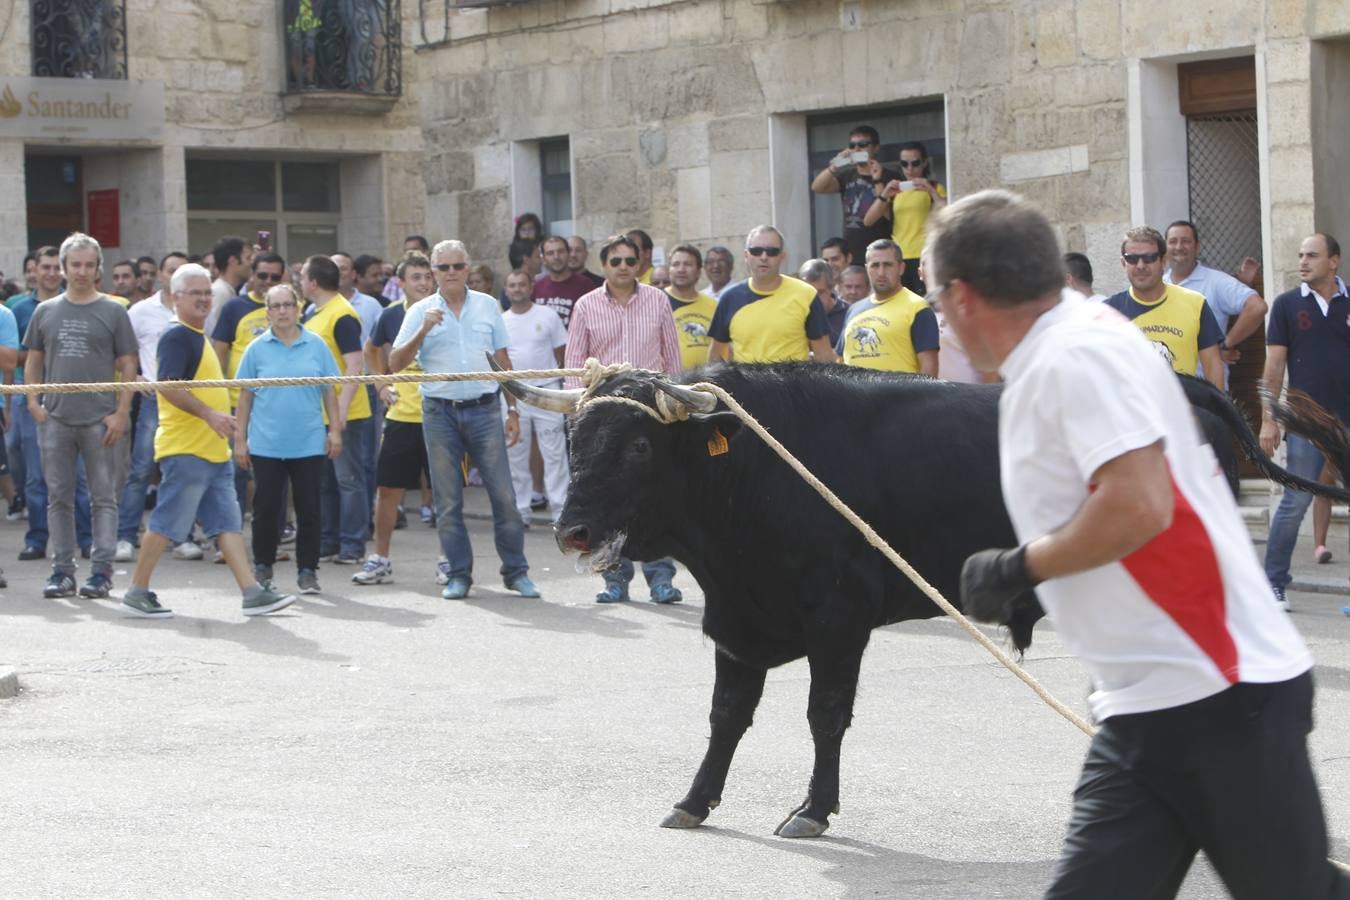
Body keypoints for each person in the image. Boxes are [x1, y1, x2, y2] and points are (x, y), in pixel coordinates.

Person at [943, 189, 1346, 899]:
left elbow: (1139, 504)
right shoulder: (1071, 339)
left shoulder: (1072, 357)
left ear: (963, 295)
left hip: (1219, 696)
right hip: (1146, 706)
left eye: (935, 296)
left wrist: (1017, 567)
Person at [119, 264, 296, 619]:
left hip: (211, 451)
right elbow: (168, 387)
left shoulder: (194, 334)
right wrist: (210, 415)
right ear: (176, 298)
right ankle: (137, 591)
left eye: (206, 293)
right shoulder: (178, 336)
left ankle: (251, 592)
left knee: (227, 523)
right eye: (195, 293)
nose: (203, 299)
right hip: (187, 449)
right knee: (167, 522)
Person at [389, 239, 540, 601]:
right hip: (439, 411)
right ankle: (458, 575)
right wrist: (423, 330)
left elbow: (503, 362)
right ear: (434, 273)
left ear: (468, 269)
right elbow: (394, 364)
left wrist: (514, 409)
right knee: (447, 500)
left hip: (486, 408)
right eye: (444, 268)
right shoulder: (420, 311)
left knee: (504, 496)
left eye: (458, 266)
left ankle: (516, 573)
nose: (452, 273)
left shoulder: (488, 306)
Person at [564, 234, 683, 605]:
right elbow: (574, 366)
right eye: (615, 261)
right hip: (603, 421)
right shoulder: (585, 305)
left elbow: (672, 359)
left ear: (639, 264)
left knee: (658, 496)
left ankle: (661, 578)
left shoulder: (658, 300)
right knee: (607, 499)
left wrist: (677, 407)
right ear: (604, 265)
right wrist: (578, 418)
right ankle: (613, 579)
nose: (623, 268)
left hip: (648, 414)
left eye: (630, 261)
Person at [24, 232, 138, 600]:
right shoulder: (45, 311)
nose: (82, 272)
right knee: (58, 497)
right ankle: (62, 571)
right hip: (56, 419)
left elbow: (128, 364)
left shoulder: (114, 310)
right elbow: (34, 361)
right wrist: (33, 403)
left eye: (89, 265)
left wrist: (121, 412)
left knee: (103, 497)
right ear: (64, 267)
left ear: (98, 268)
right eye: (76, 265)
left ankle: (102, 571)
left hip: (100, 419)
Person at [1259, 233, 1349, 612]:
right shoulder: (1285, 305)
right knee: (1294, 502)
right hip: (1306, 425)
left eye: (1312, 255)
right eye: (1300, 255)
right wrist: (1269, 420)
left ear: (1334, 261)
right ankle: (1274, 586)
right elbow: (1274, 367)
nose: (1303, 261)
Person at [234, 283, 342, 596]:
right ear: (267, 312)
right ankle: (263, 567)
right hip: (267, 442)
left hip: (308, 441)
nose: (282, 311)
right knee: (266, 509)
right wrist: (240, 441)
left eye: (288, 305)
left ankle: (307, 571)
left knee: (310, 508)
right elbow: (244, 398)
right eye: (276, 306)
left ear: (297, 308)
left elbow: (330, 392)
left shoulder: (316, 345)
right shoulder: (256, 348)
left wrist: (334, 430)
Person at [354, 250, 436, 586]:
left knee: (447, 493)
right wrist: (381, 385)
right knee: (388, 490)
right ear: (400, 283)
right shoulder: (390, 316)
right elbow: (371, 351)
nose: (423, 283)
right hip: (402, 416)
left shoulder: (446, 310)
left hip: (442, 414)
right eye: (415, 277)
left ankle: (450, 561)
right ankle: (380, 559)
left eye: (427, 276)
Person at [12, 245, 93, 563]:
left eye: (53, 267)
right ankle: (37, 539)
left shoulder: (79, 304)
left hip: (74, 399)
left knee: (80, 477)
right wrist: (39, 353)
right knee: (35, 476)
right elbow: (17, 355)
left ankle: (86, 540)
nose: (49, 273)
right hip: (31, 397)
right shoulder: (20, 308)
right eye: (42, 267)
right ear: (33, 269)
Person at [117, 251, 193, 562]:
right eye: (170, 270)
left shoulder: (194, 311)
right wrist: (136, 379)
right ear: (160, 275)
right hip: (152, 402)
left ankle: (183, 536)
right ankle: (125, 536)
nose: (174, 275)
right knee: (141, 470)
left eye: (181, 271)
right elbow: (122, 353)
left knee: (179, 471)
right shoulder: (140, 311)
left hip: (186, 402)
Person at [300, 255, 373, 565]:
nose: (300, 281)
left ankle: (353, 543)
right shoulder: (314, 312)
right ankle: (329, 540)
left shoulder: (342, 314)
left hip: (346, 414)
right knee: (326, 481)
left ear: (314, 282)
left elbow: (355, 364)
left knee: (349, 479)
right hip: (319, 412)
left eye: (302, 276)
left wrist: (340, 415)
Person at [212, 252, 287, 520]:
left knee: (275, 473)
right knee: (237, 471)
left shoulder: (288, 306)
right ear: (252, 275)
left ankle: (275, 533)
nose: (268, 281)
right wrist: (219, 393)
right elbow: (220, 350)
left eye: (275, 276)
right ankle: (229, 533)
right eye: (262, 275)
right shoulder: (234, 307)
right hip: (237, 401)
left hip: (276, 404)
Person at [1103, 226, 1224, 389]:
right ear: (1123, 263)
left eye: (1149, 258)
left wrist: (1216, 411)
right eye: (1132, 258)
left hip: (1184, 410)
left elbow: (1213, 367)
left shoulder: (1195, 304)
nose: (1140, 265)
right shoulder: (1107, 312)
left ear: (1163, 260)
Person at [708, 225, 836, 364]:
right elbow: (715, 356)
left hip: (793, 385)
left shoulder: (806, 294)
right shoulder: (730, 298)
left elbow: (824, 356)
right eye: (756, 251)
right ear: (746, 256)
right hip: (746, 385)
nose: (764, 257)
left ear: (782, 256)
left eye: (772, 251)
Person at [500, 269, 569, 525]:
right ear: (506, 290)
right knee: (515, 454)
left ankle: (561, 512)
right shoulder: (501, 321)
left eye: (521, 284)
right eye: (512, 285)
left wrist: (558, 385)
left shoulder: (548, 316)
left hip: (547, 391)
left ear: (531, 287)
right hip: (513, 395)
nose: (517, 289)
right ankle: (521, 511)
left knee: (555, 454)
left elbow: (562, 353)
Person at [1164, 220, 1268, 382]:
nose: (1178, 247)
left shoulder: (1215, 282)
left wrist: (1226, 345)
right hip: (1167, 390)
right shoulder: (1157, 286)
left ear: (1197, 247)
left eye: (1185, 241)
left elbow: (1257, 307)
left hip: (1206, 392)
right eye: (1173, 241)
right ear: (1165, 248)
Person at [838, 239, 938, 374]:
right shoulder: (853, 310)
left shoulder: (918, 308)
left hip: (901, 395)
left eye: (888, 265)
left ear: (901, 268)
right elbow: (839, 361)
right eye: (875, 265)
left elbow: (929, 367)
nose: (881, 272)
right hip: (854, 395)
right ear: (867, 268)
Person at [861, 141, 947, 295]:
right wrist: (884, 193)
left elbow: (947, 213)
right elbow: (868, 220)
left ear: (924, 163)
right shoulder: (896, 191)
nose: (910, 168)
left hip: (923, 254)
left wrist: (930, 189)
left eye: (915, 163)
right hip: (898, 257)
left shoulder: (934, 186)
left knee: (926, 300)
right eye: (904, 163)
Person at [810, 125, 891, 264]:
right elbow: (817, 187)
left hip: (881, 249)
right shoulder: (847, 175)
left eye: (863, 144)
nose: (857, 149)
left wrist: (877, 180)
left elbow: (887, 211)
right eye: (852, 145)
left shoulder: (889, 175)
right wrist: (835, 165)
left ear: (876, 147)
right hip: (851, 250)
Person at [665, 243, 719, 371]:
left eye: (687, 264)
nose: (681, 269)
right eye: (676, 264)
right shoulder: (657, 302)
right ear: (669, 269)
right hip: (668, 383)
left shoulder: (714, 305)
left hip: (706, 383)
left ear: (699, 271)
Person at [533, 235, 594, 327]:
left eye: (560, 251)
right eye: (550, 253)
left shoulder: (585, 285)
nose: (556, 257)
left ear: (568, 254)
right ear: (543, 259)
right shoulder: (536, 287)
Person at [797, 258, 849, 347]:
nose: (813, 299)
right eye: (807, 293)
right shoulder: (793, 313)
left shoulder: (849, 314)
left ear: (831, 288)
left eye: (819, 293)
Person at [208, 236, 252, 335]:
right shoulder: (220, 293)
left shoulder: (228, 291)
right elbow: (213, 335)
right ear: (233, 261)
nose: (251, 263)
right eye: (248, 258)